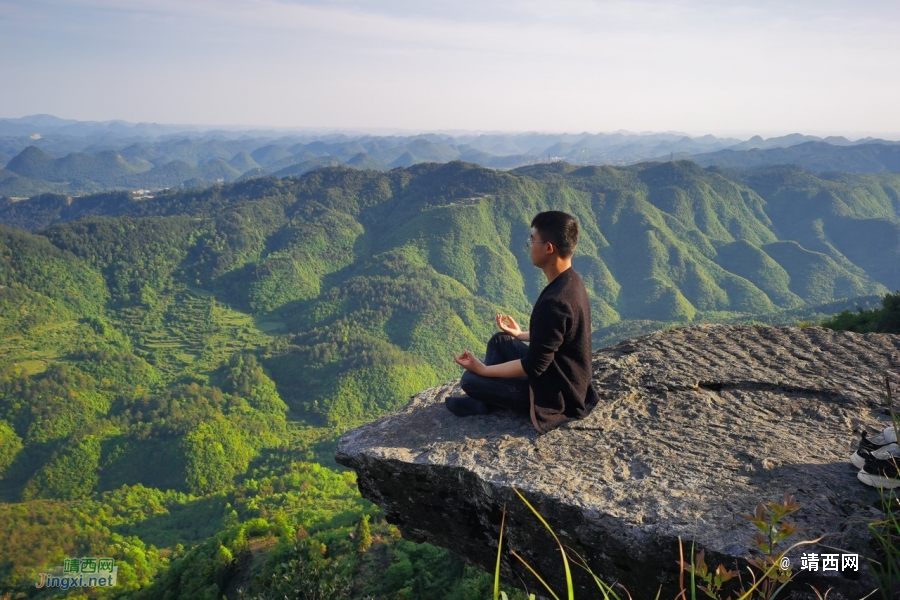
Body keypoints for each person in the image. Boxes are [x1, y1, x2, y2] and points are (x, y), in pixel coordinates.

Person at [448, 210, 599, 434]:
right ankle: (485, 398)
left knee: (470, 380)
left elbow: (534, 366)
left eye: (532, 239)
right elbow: (560, 335)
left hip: (554, 396)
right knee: (501, 340)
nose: (529, 244)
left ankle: (483, 398)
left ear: (548, 248)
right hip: (569, 381)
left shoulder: (555, 301)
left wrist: (483, 370)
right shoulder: (572, 282)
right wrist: (520, 335)